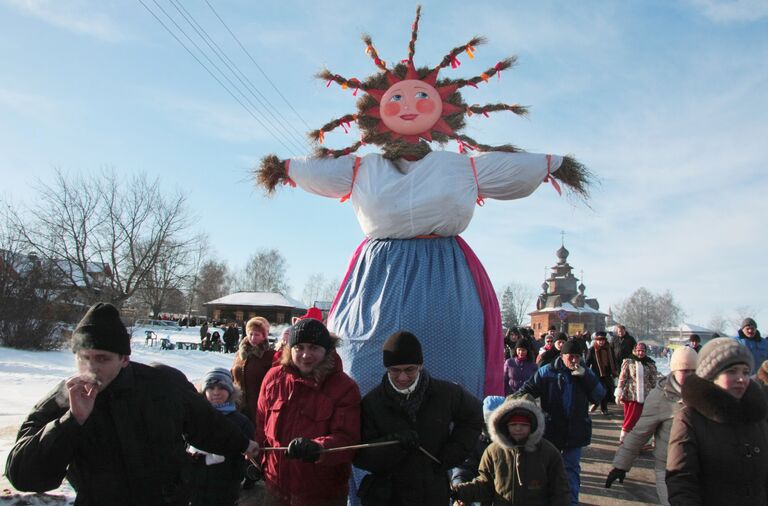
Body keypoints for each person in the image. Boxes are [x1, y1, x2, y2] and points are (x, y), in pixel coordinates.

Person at [254, 6, 592, 409]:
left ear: (442, 107)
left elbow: (504, 168)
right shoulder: (364, 168)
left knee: (450, 366)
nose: (409, 105)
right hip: (379, 275)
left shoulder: (458, 167)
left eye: (421, 97)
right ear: (376, 109)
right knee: (363, 359)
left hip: (445, 274)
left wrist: (551, 165)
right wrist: (286, 169)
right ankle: (362, 453)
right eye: (397, 97)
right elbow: (319, 170)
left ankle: (452, 455)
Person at [4, 302, 259, 505]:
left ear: (124, 359)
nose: (91, 368)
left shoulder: (161, 384)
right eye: (84, 358)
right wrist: (71, 421)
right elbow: (23, 474)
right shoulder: (64, 398)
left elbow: (207, 424)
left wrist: (243, 444)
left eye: (102, 359)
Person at [354, 331, 484, 506]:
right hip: (389, 496)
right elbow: (360, 455)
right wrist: (393, 445)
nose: (402, 377)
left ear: (420, 365)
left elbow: (474, 416)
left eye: (410, 370)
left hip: (432, 493)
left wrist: (453, 452)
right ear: (387, 368)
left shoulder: (446, 393)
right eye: (395, 370)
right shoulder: (371, 403)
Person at [255, 318, 360, 506]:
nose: (305, 355)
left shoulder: (344, 388)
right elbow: (261, 425)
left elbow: (347, 439)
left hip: (321, 493)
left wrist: (318, 449)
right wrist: (262, 462)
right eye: (299, 348)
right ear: (290, 349)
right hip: (275, 487)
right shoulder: (273, 378)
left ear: (326, 350)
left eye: (313, 348)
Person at [666, 337, 768, 505]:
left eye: (745, 371)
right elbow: (681, 480)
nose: (741, 378)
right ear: (711, 375)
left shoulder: (756, 416)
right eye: (732, 371)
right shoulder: (690, 419)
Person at [514, 339, 605, 506]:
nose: (574, 361)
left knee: (571, 470)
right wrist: (513, 402)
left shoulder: (585, 373)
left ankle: (571, 502)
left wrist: (586, 377)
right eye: (571, 356)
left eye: (578, 357)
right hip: (551, 429)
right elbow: (528, 389)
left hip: (575, 430)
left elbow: (599, 395)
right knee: (546, 468)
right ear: (562, 356)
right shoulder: (547, 371)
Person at [605, 346, 698, 505]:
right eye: (684, 371)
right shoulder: (661, 397)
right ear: (674, 370)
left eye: (693, 371)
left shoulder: (704, 394)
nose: (690, 376)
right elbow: (639, 433)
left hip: (698, 469)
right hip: (669, 470)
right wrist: (621, 466)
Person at [450, 397, 569, 506]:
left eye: (523, 424)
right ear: (505, 425)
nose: (518, 428)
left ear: (533, 425)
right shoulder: (493, 451)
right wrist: (458, 492)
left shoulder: (549, 452)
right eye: (513, 424)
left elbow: (560, 491)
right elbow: (484, 484)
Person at [189, 368, 255, 506]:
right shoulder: (194, 417)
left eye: (221, 387)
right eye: (211, 387)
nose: (216, 392)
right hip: (196, 484)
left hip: (226, 485)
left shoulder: (241, 421)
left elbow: (247, 454)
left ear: (230, 390)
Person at [231, 316, 274, 422]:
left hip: (259, 406)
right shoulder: (240, 354)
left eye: (257, 335)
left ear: (264, 336)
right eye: (251, 334)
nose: (253, 338)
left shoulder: (270, 356)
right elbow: (233, 374)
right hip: (238, 406)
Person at [614, 342, 658, 444]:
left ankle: (642, 442)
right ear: (634, 350)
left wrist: (657, 393)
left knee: (643, 420)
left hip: (646, 396)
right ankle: (625, 439)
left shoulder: (649, 363)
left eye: (642, 351)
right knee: (631, 418)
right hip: (631, 396)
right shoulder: (629, 362)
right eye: (638, 350)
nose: (640, 353)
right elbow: (622, 378)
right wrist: (618, 392)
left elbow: (653, 381)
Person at [586, 331, 618, 415]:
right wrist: (586, 372)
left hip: (607, 373)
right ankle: (596, 403)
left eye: (603, 340)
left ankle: (604, 408)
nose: (601, 341)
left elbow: (613, 360)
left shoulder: (609, 348)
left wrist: (615, 370)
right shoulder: (592, 349)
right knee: (598, 391)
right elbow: (587, 362)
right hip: (596, 373)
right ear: (596, 340)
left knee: (607, 391)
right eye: (599, 340)